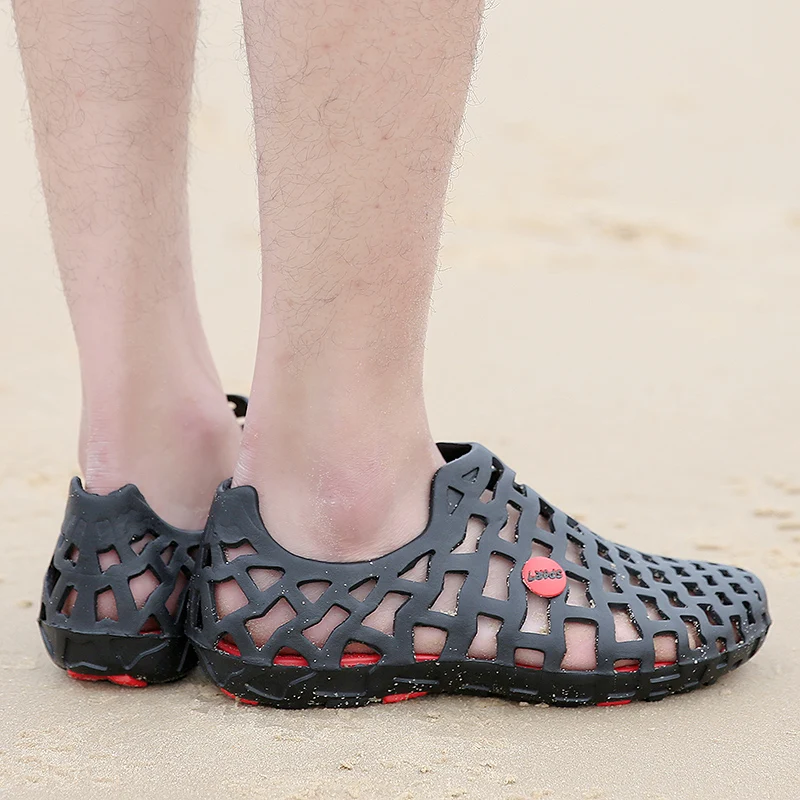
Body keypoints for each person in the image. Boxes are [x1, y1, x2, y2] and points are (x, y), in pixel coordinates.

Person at [19, 0, 769, 706]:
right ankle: (342, 502)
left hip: (116, 551)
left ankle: (145, 485)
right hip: (336, 572)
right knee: (338, 471)